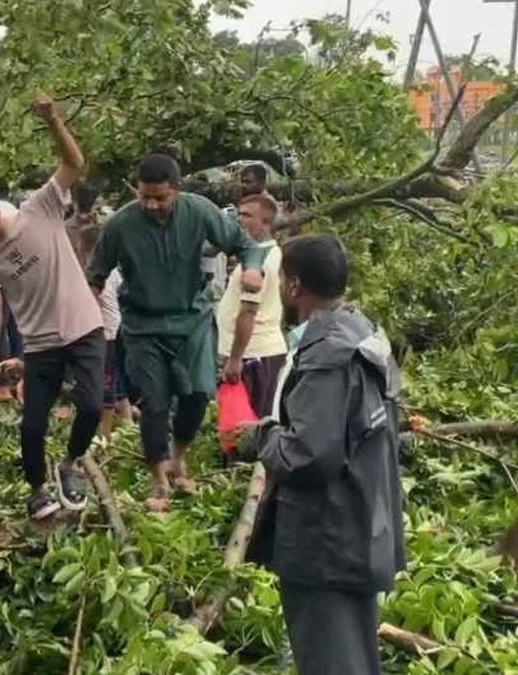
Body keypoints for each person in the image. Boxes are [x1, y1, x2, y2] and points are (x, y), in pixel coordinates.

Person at [240, 234, 404, 675]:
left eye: (281, 279)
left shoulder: (329, 355)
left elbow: (309, 455)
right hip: (360, 524)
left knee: (332, 660)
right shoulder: (360, 331)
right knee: (350, 654)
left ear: (294, 286)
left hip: (328, 540)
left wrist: (261, 437)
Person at [87, 154, 266, 512]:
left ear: (177, 191)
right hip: (143, 326)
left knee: (197, 395)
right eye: (145, 196)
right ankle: (159, 482)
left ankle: (178, 458)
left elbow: (246, 245)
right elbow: (96, 275)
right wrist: (88, 314)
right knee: (153, 402)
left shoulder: (198, 211)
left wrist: (252, 269)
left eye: (160, 197)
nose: (151, 204)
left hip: (191, 320)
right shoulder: (121, 224)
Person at [0, 94, 102, 520]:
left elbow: (74, 164)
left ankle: (71, 464)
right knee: (32, 424)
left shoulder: (39, 210)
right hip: (40, 344)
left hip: (84, 327)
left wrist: (53, 120)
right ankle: (38, 489)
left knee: (92, 405)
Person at [217, 195, 288, 417]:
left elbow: (249, 311)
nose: (240, 220)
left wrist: (235, 358)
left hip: (254, 354)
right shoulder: (259, 254)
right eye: (239, 214)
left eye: (247, 215)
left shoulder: (261, 262)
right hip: (254, 352)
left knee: (248, 424)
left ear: (266, 223)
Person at [99, 267, 134, 433]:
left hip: (107, 335)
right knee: (118, 385)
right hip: (118, 330)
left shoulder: (97, 271)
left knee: (107, 390)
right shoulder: (112, 271)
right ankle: (129, 428)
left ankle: (104, 437)